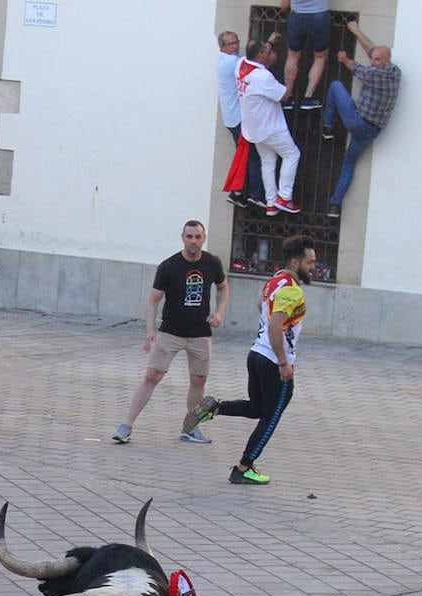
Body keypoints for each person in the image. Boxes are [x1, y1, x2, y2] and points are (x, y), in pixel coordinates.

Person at [184, 234, 316, 485]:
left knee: (257, 408)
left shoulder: (277, 279)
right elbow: (276, 325)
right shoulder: (291, 290)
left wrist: (276, 326)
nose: (313, 268)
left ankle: (215, 408)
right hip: (272, 362)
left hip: (256, 354)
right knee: (270, 417)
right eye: (310, 263)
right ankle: (244, 467)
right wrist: (283, 362)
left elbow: (261, 306)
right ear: (297, 262)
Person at [112, 221, 228, 445]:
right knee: (152, 376)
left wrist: (220, 312)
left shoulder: (212, 262)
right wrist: (149, 330)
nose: (193, 241)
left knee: (199, 379)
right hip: (171, 331)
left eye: (197, 237)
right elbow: (153, 299)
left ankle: (191, 428)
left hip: (200, 332)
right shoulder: (169, 266)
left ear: (204, 238)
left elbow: (223, 287)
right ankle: (126, 425)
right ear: (182, 238)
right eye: (189, 236)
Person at [323, 17, 401, 219]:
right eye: (373, 59)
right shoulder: (394, 72)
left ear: (385, 61)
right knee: (349, 163)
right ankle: (335, 205)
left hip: (357, 121)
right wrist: (355, 30)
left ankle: (327, 127)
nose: (373, 62)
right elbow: (371, 50)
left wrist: (343, 58)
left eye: (376, 60)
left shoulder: (374, 74)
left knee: (335, 87)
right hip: (372, 131)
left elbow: (356, 68)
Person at [237, 37, 301, 216]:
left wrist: (269, 43)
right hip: (270, 127)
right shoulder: (262, 76)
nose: (270, 54)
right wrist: (291, 78)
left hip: (253, 129)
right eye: (267, 52)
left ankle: (271, 203)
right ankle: (284, 197)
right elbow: (284, 95)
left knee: (268, 162)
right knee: (292, 154)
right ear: (259, 56)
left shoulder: (241, 65)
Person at [216, 30, 266, 209]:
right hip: (238, 119)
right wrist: (269, 44)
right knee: (252, 156)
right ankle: (255, 194)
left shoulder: (223, 59)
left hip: (232, 118)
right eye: (231, 44)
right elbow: (254, 63)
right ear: (223, 47)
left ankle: (237, 193)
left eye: (237, 42)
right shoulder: (232, 63)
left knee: (243, 155)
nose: (236, 46)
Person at [281, 0, 330, 110]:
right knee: (320, 57)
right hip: (320, 15)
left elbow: (284, 5)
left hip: (297, 16)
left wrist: (287, 11)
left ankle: (287, 96)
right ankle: (308, 97)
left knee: (292, 56)